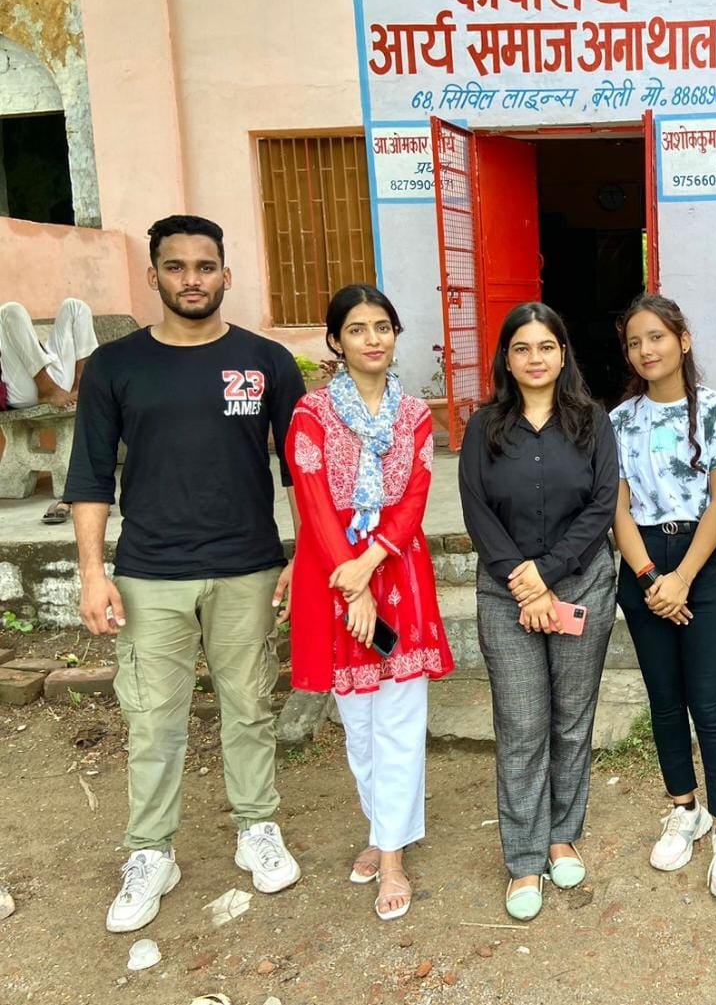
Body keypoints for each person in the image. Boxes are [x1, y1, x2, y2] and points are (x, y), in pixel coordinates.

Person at [64, 214, 305, 933]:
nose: (191, 279)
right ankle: (151, 851)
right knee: (152, 719)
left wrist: (304, 556)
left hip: (248, 566)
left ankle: (256, 827)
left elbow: (301, 470)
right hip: (150, 571)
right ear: (154, 276)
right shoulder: (115, 366)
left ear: (227, 274)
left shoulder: (267, 361)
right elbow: (90, 477)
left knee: (249, 705)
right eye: (176, 266)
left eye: (205, 266)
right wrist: (92, 573)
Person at [286, 284, 453, 922]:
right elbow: (313, 500)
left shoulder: (414, 415)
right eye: (357, 329)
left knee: (401, 720)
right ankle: (384, 830)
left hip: (398, 571)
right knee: (358, 724)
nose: (372, 339)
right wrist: (352, 583)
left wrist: (369, 565)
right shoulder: (310, 414)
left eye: (382, 326)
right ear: (336, 341)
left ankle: (391, 857)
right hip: (333, 577)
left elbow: (414, 499)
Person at [459, 302, 618, 922]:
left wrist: (547, 574)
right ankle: (525, 858)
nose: (534, 358)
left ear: (562, 353)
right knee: (522, 725)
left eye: (545, 346)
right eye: (521, 348)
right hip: (507, 593)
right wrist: (524, 584)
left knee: (571, 721)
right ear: (506, 357)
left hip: (581, 584)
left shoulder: (591, 421)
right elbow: (476, 509)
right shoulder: (484, 427)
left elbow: (602, 504)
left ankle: (561, 836)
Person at [610, 294, 716, 898]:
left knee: (710, 704)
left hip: (704, 561)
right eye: (635, 342)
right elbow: (616, 509)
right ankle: (684, 808)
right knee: (664, 701)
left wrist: (683, 578)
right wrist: (649, 578)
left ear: (682, 340)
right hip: (643, 561)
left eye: (657, 337)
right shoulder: (618, 422)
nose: (647, 350)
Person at [0, 296, 99, 523]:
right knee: (10, 310)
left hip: (56, 378)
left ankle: (82, 384)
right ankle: (47, 388)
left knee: (74, 306)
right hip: (19, 389)